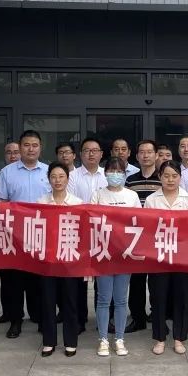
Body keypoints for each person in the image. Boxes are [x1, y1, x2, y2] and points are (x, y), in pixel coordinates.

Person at [0, 130, 48, 338]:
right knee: (15, 282)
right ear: (20, 147)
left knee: (40, 280)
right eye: (26, 145)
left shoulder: (49, 171)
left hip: (42, 234)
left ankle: (40, 318)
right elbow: (2, 203)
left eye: (35, 145)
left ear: (40, 148)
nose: (31, 149)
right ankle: (15, 321)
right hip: (15, 235)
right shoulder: (6, 172)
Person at [144, 161, 188, 354]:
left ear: (180, 177)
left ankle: (179, 338)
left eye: (174, 176)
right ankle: (159, 338)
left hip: (183, 256)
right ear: (160, 177)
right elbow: (147, 229)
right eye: (166, 176)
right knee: (158, 297)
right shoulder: (152, 200)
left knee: (181, 297)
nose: (170, 180)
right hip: (158, 256)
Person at [91, 157, 140, 357]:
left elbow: (139, 223)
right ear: (105, 173)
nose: (115, 174)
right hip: (103, 253)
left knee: (120, 300)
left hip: (124, 254)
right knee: (104, 299)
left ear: (125, 174)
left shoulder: (132, 196)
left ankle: (119, 338)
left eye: (119, 171)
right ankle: (103, 339)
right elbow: (91, 222)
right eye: (111, 170)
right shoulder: (97, 195)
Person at [37, 163, 84, 357]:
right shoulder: (41, 202)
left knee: (70, 300)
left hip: (69, 259)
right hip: (48, 260)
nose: (57, 180)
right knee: (47, 301)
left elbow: (82, 233)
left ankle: (70, 341)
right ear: (49, 179)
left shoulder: (77, 203)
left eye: (61, 176)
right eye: (54, 176)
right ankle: (49, 341)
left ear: (67, 179)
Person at [69, 137, 106, 333]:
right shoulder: (72, 176)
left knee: (102, 278)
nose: (91, 154)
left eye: (95, 150)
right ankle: (79, 319)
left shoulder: (108, 175)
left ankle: (103, 319)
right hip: (79, 232)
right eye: (87, 150)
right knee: (78, 279)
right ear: (80, 154)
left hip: (102, 233)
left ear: (101, 154)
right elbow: (71, 202)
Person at [126, 140, 164, 332]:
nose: (146, 155)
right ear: (137, 156)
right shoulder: (130, 180)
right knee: (137, 281)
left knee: (157, 282)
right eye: (142, 152)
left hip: (158, 236)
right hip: (137, 237)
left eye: (150, 152)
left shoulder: (164, 178)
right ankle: (138, 318)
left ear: (156, 155)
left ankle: (158, 317)